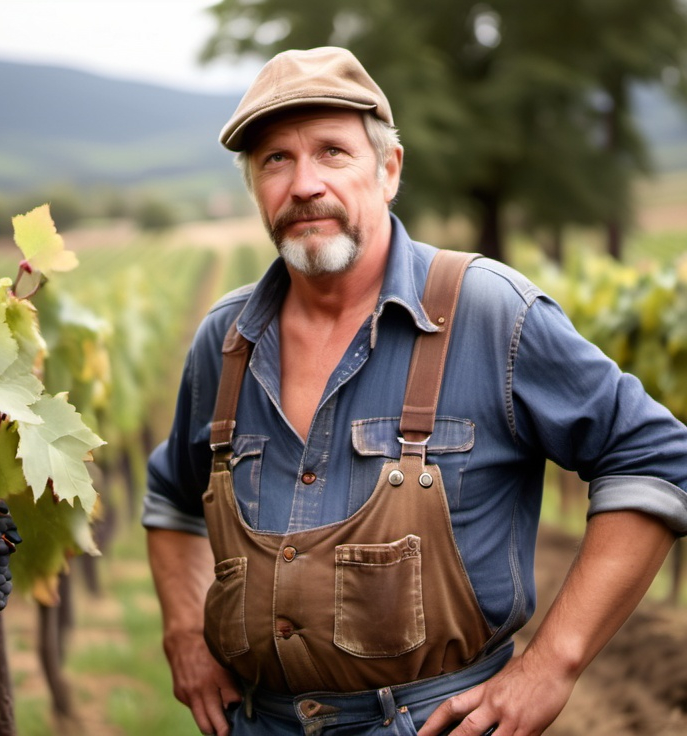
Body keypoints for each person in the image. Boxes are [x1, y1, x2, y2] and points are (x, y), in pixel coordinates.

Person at [143, 46, 687, 736]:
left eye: (332, 153)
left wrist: (553, 663)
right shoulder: (224, 341)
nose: (304, 183)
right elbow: (171, 497)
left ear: (389, 169)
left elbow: (653, 457)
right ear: (255, 184)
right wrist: (185, 633)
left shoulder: (492, 314)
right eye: (276, 159)